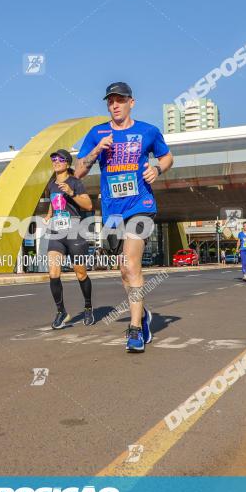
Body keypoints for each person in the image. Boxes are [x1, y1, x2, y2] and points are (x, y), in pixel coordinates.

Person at [75, 81, 174, 353]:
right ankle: (142, 314)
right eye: (110, 101)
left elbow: (167, 158)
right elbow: (78, 172)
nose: (115, 105)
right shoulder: (97, 133)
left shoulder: (148, 131)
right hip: (112, 210)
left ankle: (134, 330)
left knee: (131, 265)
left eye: (120, 100)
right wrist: (96, 151)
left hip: (140, 204)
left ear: (132, 102)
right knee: (123, 269)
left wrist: (157, 168)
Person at [43, 149, 95, 329]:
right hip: (57, 233)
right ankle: (61, 311)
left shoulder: (75, 182)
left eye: (60, 159)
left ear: (67, 163)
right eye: (53, 159)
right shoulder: (51, 184)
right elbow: (53, 202)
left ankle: (88, 307)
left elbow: (88, 205)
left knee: (80, 273)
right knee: (53, 272)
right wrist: (49, 215)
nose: (56, 161)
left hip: (75, 232)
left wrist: (72, 193)